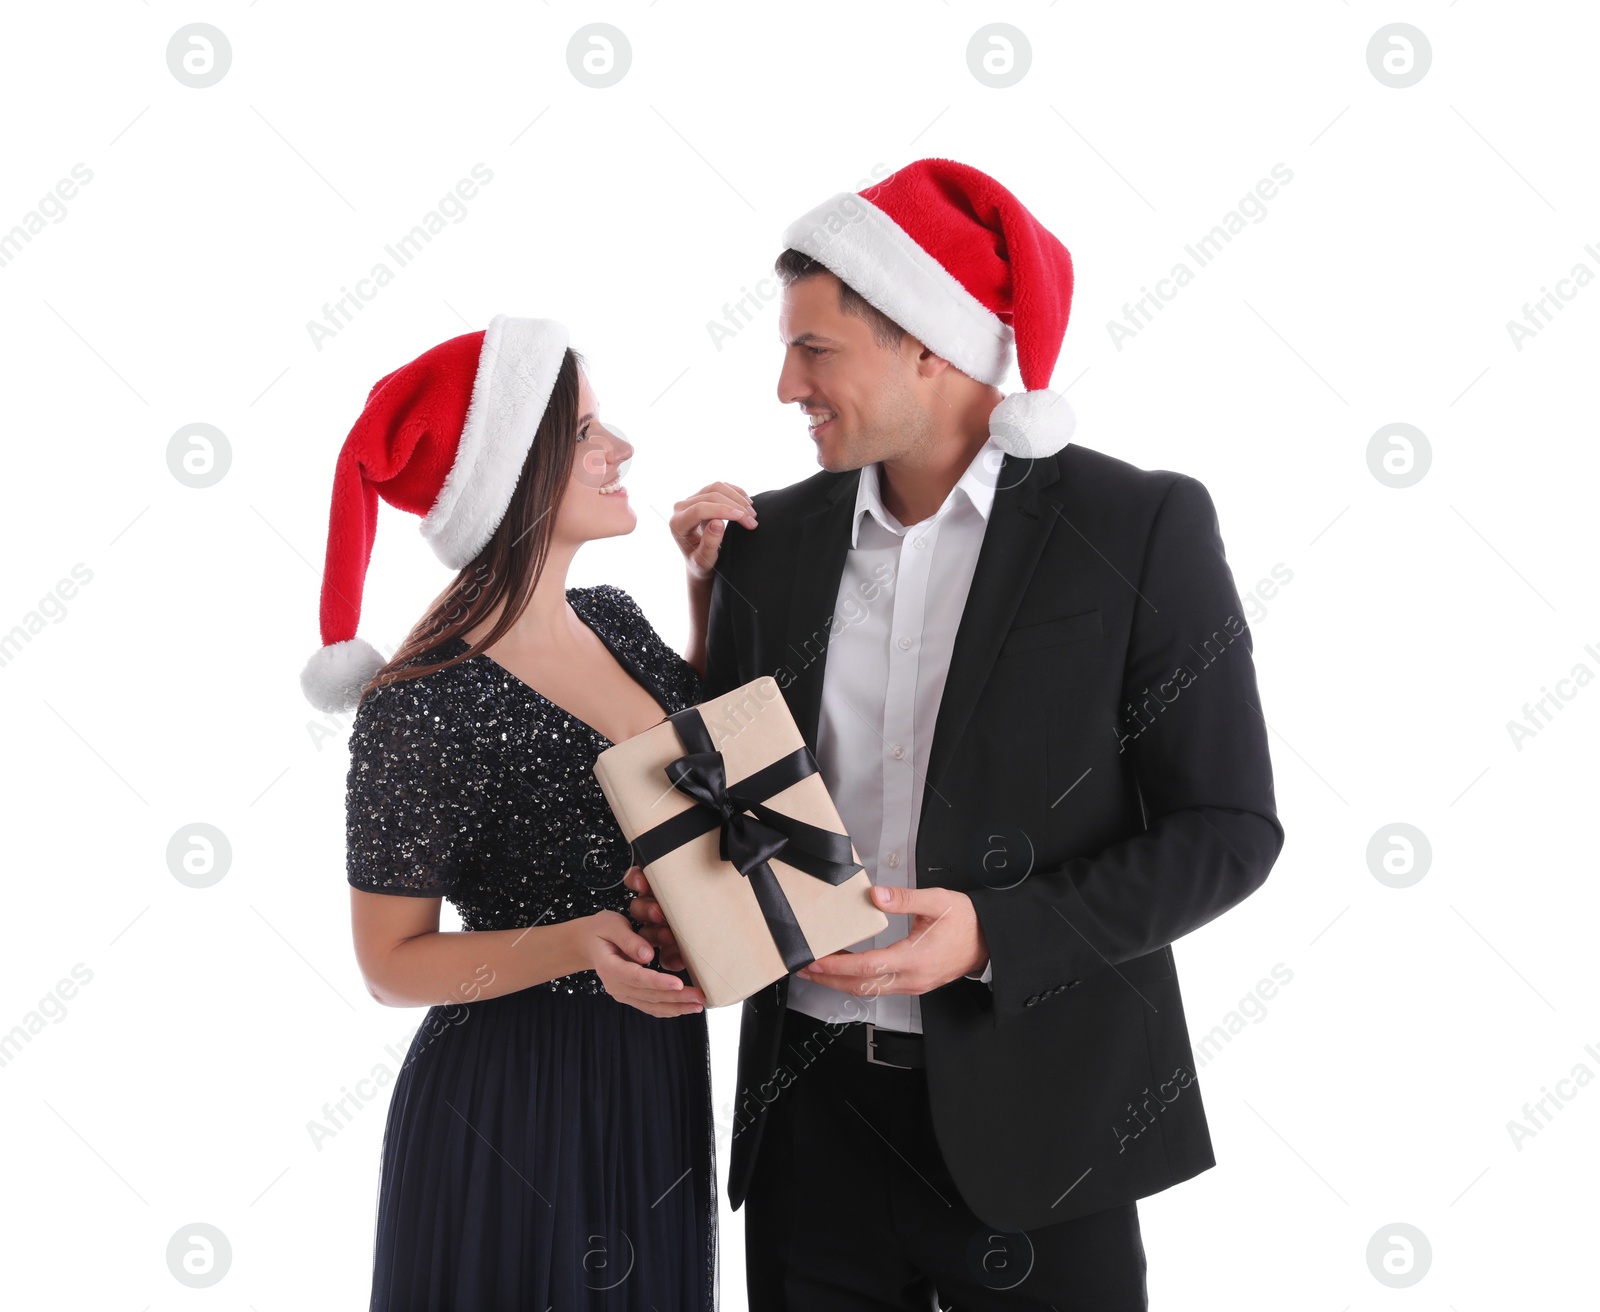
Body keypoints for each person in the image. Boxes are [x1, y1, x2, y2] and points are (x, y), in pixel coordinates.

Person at [626, 158, 1286, 1309]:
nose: (786, 384)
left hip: (1045, 1124)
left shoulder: (1136, 525)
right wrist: (676, 901)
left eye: (815, 350)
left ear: (926, 344)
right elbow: (728, 799)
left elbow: (1227, 829)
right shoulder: (768, 542)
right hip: (810, 1127)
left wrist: (992, 935)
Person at [299, 315, 755, 1310]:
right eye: (587, 433)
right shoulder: (419, 700)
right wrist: (575, 943)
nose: (620, 449)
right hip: (513, 1101)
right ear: (511, 471)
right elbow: (388, 964)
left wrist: (708, 591)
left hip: (651, 1078)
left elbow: (711, 788)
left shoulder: (618, 621)